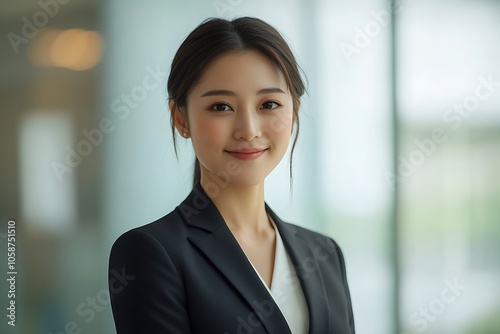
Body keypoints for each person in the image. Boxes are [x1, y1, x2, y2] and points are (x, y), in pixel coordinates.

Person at [108, 16, 355, 334]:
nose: (249, 131)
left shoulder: (325, 254)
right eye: (221, 107)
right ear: (180, 119)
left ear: (293, 112)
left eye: (268, 104)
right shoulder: (150, 253)